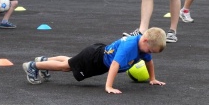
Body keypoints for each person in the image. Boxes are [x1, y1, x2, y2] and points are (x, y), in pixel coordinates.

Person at [23, 27, 167, 94]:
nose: (148, 54)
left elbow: (149, 61)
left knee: (71, 62)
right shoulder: (129, 46)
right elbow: (115, 65)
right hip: (94, 59)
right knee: (67, 67)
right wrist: (109, 86)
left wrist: (152, 78)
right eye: (150, 50)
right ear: (145, 40)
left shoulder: (143, 47)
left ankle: (44, 60)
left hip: (97, 55)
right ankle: (34, 66)